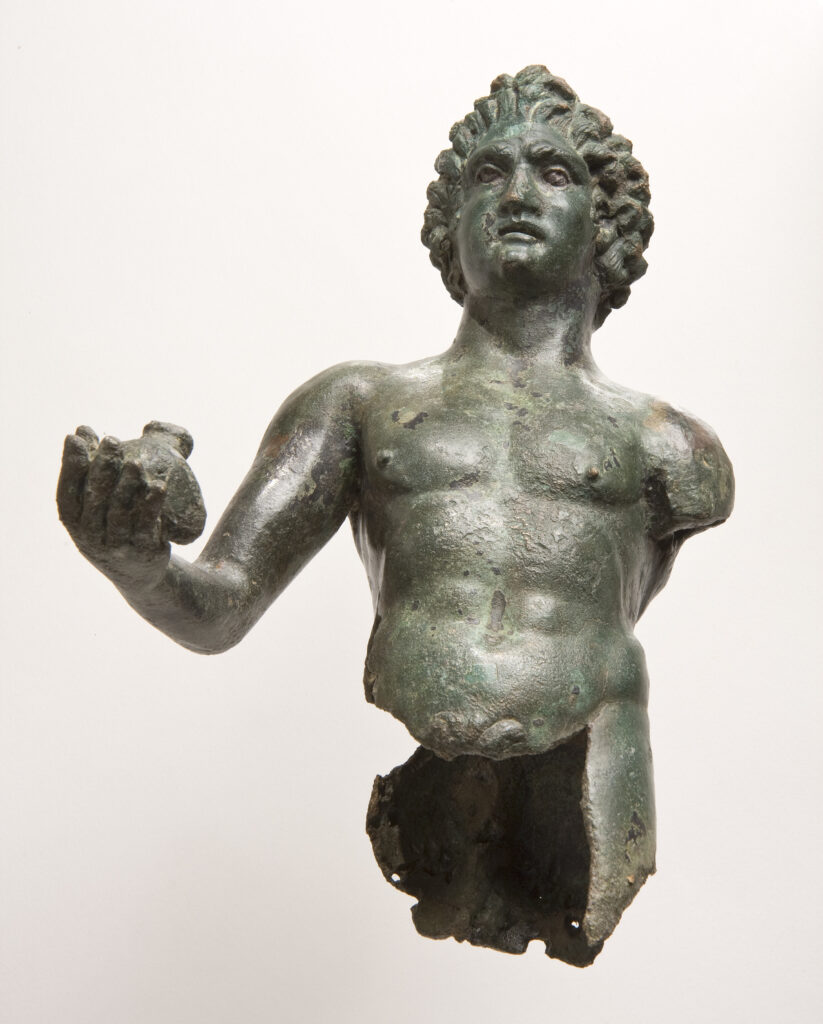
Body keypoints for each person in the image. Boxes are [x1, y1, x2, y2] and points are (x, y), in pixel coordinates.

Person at [57, 66, 733, 964]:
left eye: (553, 172)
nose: (517, 194)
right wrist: (137, 564)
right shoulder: (357, 403)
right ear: (449, 224)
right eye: (487, 174)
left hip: (582, 778)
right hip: (432, 793)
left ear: (604, 226)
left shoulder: (671, 446)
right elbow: (216, 609)